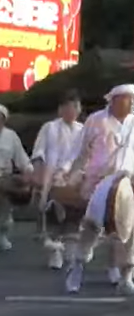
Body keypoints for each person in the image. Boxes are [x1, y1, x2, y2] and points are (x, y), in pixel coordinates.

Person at [64, 84, 134, 296]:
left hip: (127, 184)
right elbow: (80, 152)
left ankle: (127, 277)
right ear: (113, 100)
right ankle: (76, 269)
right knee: (92, 228)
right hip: (100, 182)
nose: (132, 103)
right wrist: (71, 173)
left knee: (132, 232)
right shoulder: (96, 120)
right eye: (127, 98)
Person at [30, 90, 84, 267]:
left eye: (76, 106)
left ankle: (70, 247)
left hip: (75, 176)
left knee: (75, 210)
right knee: (53, 211)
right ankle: (54, 251)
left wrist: (72, 172)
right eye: (68, 106)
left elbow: (84, 156)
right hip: (51, 175)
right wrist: (39, 173)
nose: (72, 110)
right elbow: (38, 152)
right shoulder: (50, 127)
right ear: (61, 109)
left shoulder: (83, 130)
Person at [0, 104, 33, 251]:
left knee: (8, 198)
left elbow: (22, 158)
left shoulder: (11, 136)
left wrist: (28, 172)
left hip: (5, 175)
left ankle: (2, 234)